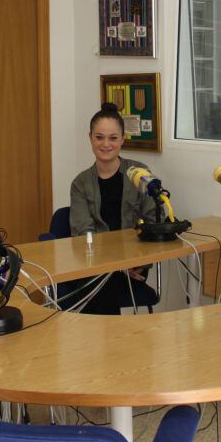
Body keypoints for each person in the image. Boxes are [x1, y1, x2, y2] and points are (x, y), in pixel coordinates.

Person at [67, 102, 158, 314]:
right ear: (90, 137)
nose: (106, 144)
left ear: (123, 139)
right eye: (99, 137)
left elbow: (152, 221)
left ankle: (107, 344)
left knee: (101, 290)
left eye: (113, 138)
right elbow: (83, 234)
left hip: (135, 266)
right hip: (95, 267)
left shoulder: (140, 173)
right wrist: (115, 265)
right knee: (101, 283)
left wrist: (138, 262)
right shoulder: (80, 184)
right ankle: (112, 345)